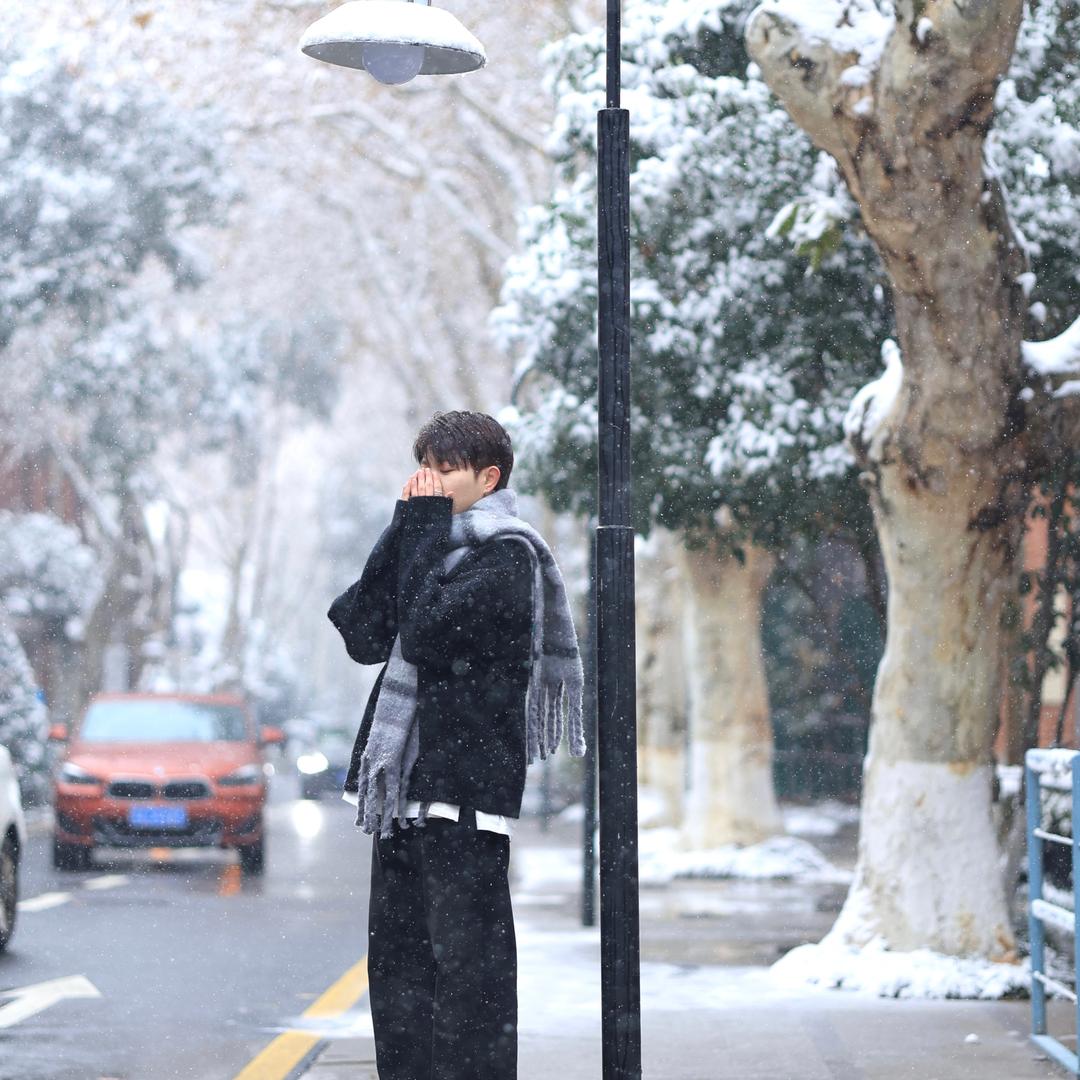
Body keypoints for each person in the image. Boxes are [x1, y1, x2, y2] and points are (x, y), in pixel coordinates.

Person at [327, 410, 586, 1080]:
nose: (429, 481)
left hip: (466, 799)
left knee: (471, 988)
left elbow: (426, 631)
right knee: (399, 982)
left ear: (488, 477)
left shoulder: (509, 557)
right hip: (404, 801)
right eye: (425, 467)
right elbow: (361, 628)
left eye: (446, 469)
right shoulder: (430, 544)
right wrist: (407, 524)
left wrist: (419, 530)